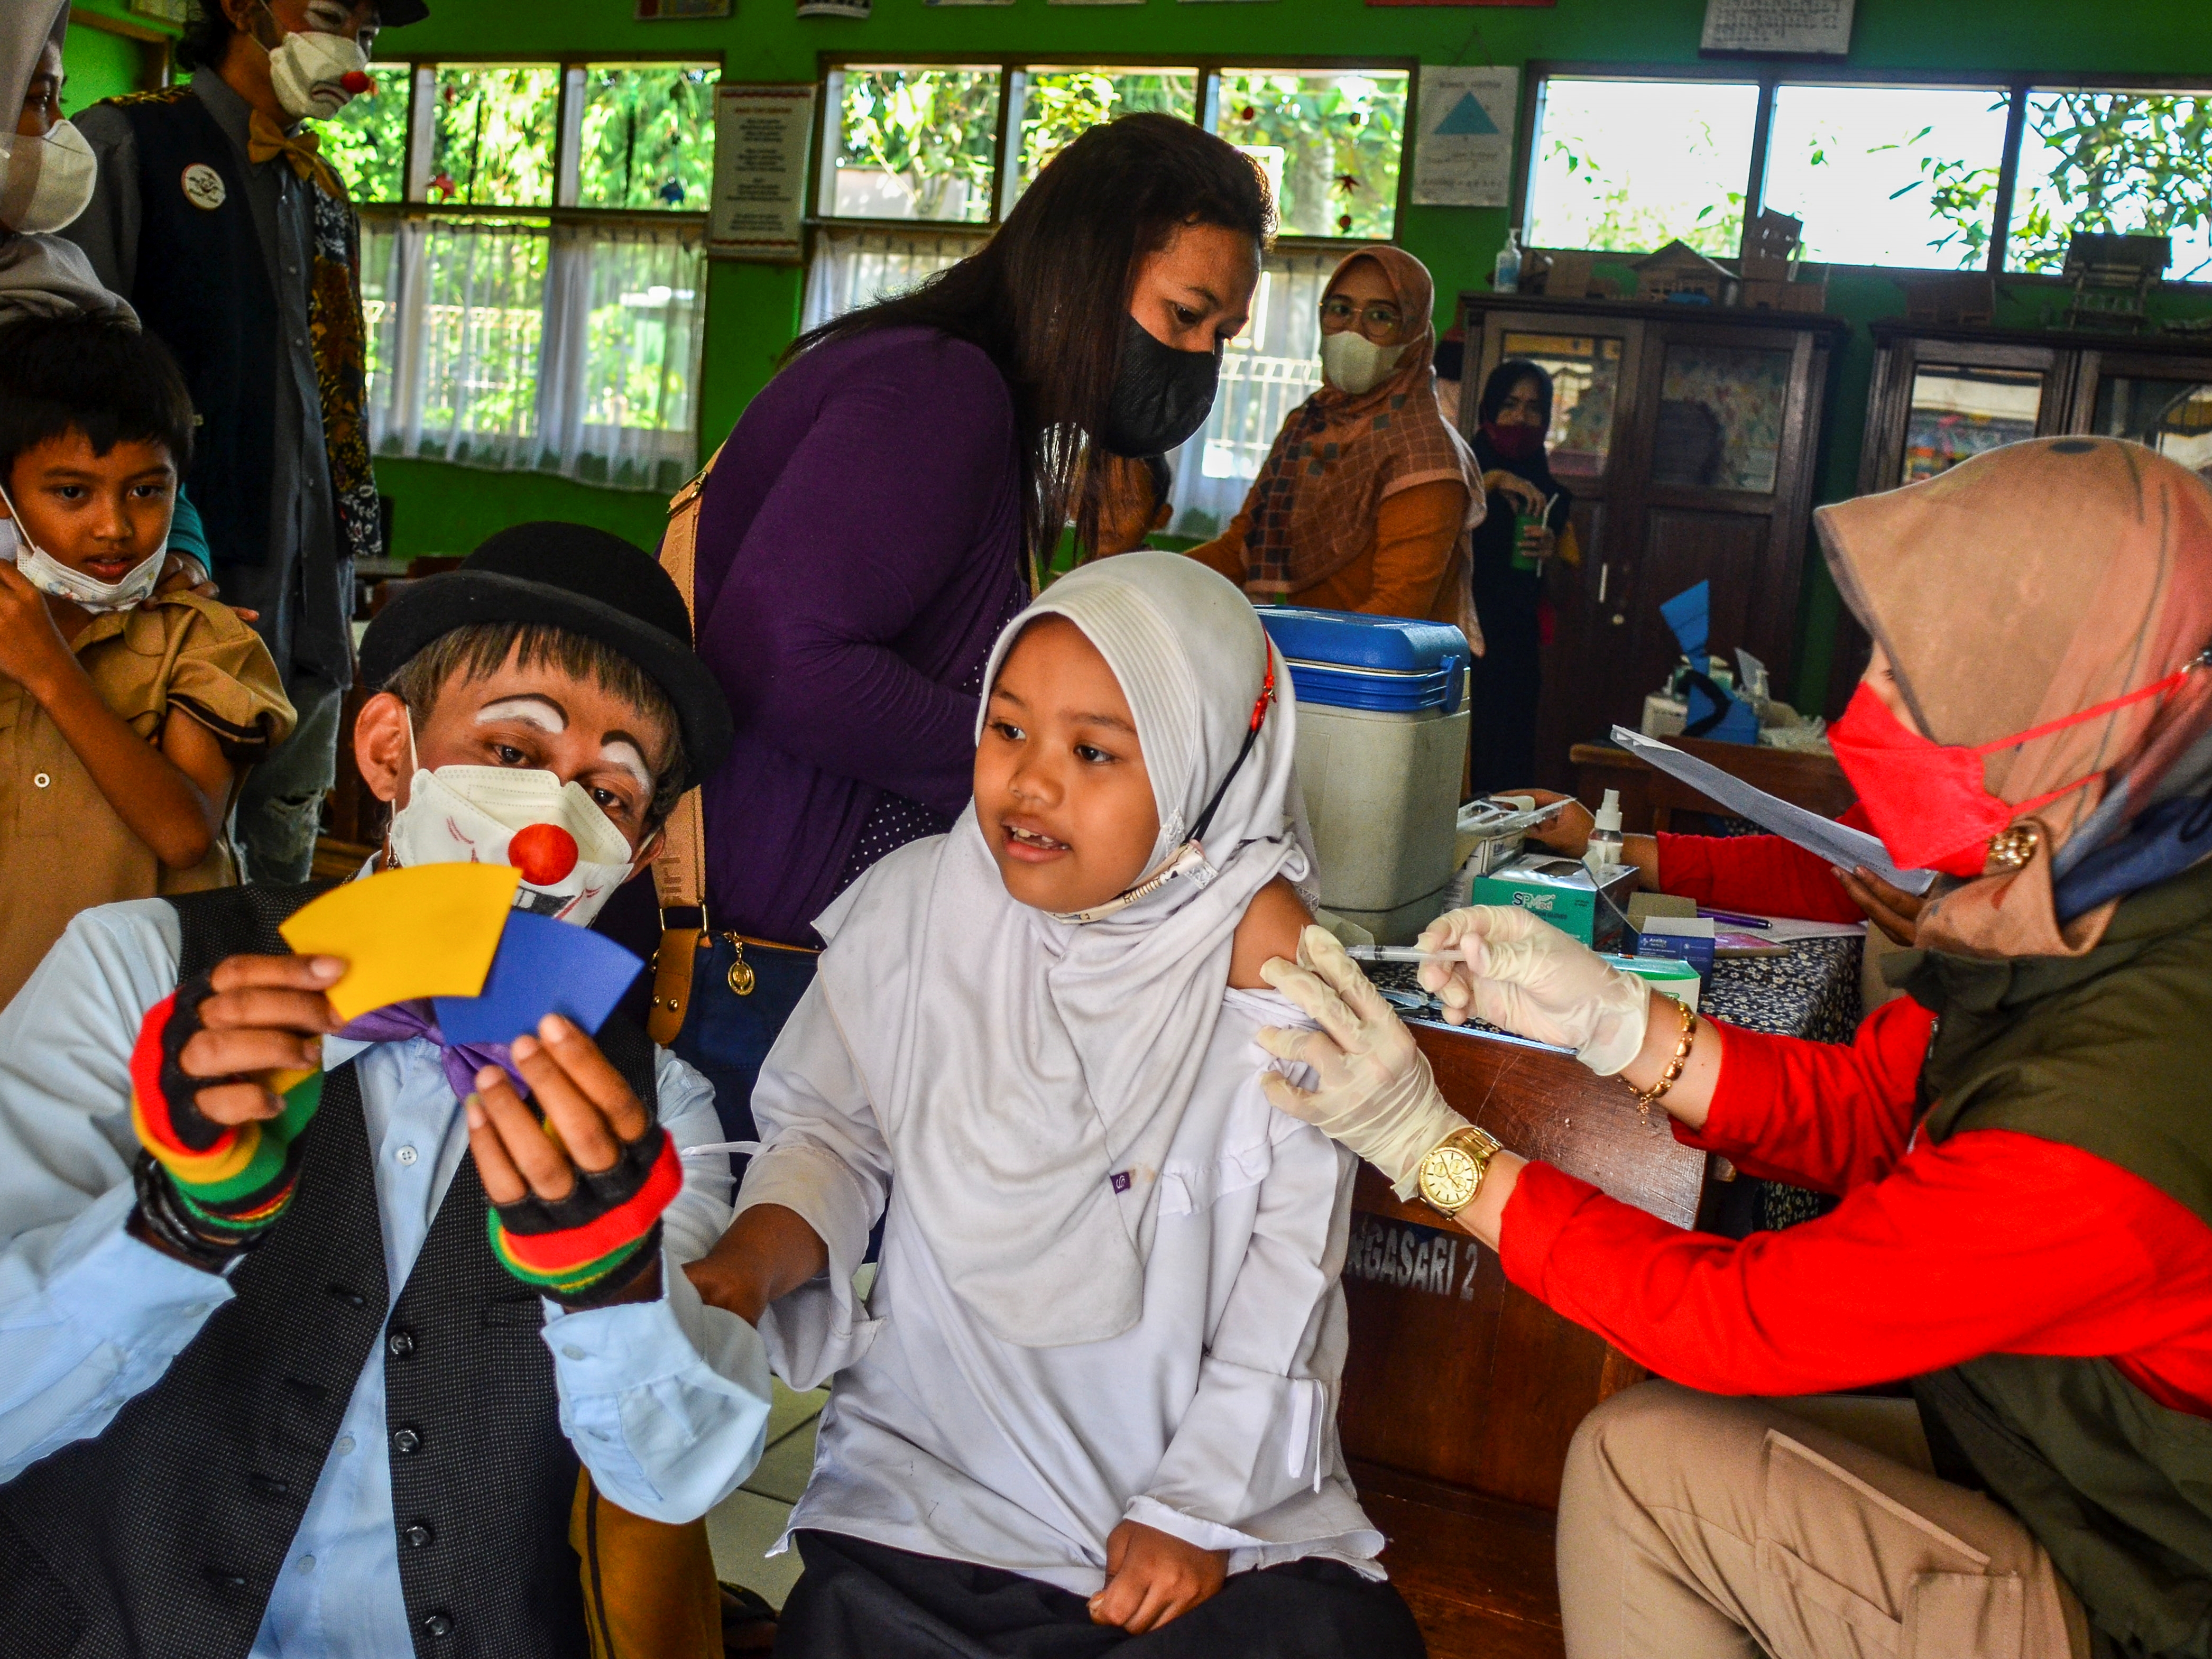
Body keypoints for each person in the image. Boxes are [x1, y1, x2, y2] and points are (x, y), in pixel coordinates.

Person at [1256, 438, 2212, 1659]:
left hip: (2140, 1578)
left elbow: (1741, 1322)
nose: (1867, 712)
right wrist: (1619, 1024)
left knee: (1647, 1466)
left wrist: (1428, 1148)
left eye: (1920, 684)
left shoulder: (2113, 1112)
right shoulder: (2107, 887)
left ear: (2070, 709)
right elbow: (1876, 1108)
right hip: (2056, 1459)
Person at [0, 525, 773, 1656]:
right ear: (386, 751)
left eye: (609, 792)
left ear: (644, 845)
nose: (553, 834)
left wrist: (615, 1289)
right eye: (513, 753)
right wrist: (171, 1229)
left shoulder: (656, 1119)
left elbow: (679, 1476)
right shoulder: (134, 970)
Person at [685, 554, 1425, 1658]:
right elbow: (833, 1140)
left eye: (1093, 754)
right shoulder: (917, 912)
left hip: (1187, 1503)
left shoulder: (1279, 985)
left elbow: (1290, 1281)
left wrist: (1192, 1512)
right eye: (1007, 732)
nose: (1030, 787)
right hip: (933, 1480)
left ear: (1198, 774)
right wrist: (744, 1269)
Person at [647, 112, 1270, 1146]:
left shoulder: (954, 390)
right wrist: (1035, 773)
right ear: (1088, 266)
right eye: (1186, 314)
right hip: (761, 981)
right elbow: (786, 662)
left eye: (1222, 338)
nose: (1198, 358)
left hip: (794, 970)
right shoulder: (938, 391)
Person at [65, 0, 426, 884]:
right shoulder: (124, 149)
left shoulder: (319, 186)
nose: (354, 48)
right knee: (156, 859)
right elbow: (66, 397)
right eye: (337, 13)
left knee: (282, 848)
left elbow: (329, 395)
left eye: (371, 31)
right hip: (176, 587)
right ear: (240, 7)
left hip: (306, 591)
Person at [0, 314, 293, 1009]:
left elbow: (183, 831)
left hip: (142, 1027)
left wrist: (50, 669)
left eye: (146, 489)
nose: (115, 525)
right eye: (72, 492)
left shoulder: (203, 640)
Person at [1, 0, 216, 579]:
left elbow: (132, 441)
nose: (58, 131)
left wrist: (181, 554)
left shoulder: (64, 282)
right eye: (38, 99)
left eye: (57, 99)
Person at [1186, 246, 1484, 646]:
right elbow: (1242, 546)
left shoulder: (1426, 458)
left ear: (1414, 334)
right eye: (1339, 310)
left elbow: (1395, 613)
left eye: (1381, 316)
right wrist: (1139, 574)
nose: (1352, 331)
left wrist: (1279, 650)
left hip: (1373, 685)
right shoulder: (1309, 425)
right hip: (1307, 664)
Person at [1466, 361, 1574, 793]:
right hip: (1459, 643)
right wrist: (1488, 483)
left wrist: (1552, 558)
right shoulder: (1458, 474)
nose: (1521, 419)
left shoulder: (1553, 500)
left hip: (1515, 656)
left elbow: (1564, 597)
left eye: (1533, 408)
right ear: (1489, 408)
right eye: (1510, 404)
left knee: (1507, 774)